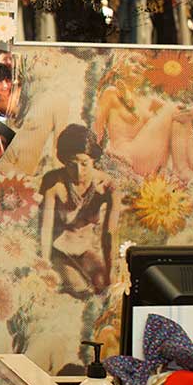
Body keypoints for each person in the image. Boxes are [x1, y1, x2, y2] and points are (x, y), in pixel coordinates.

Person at [39, 124, 122, 299]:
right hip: (58, 251)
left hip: (85, 250)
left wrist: (110, 271)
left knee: (102, 283)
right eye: (71, 164)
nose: (78, 172)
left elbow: (109, 233)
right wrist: (44, 266)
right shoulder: (54, 183)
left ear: (93, 159)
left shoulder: (108, 187)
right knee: (82, 290)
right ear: (63, 161)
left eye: (84, 164)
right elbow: (45, 230)